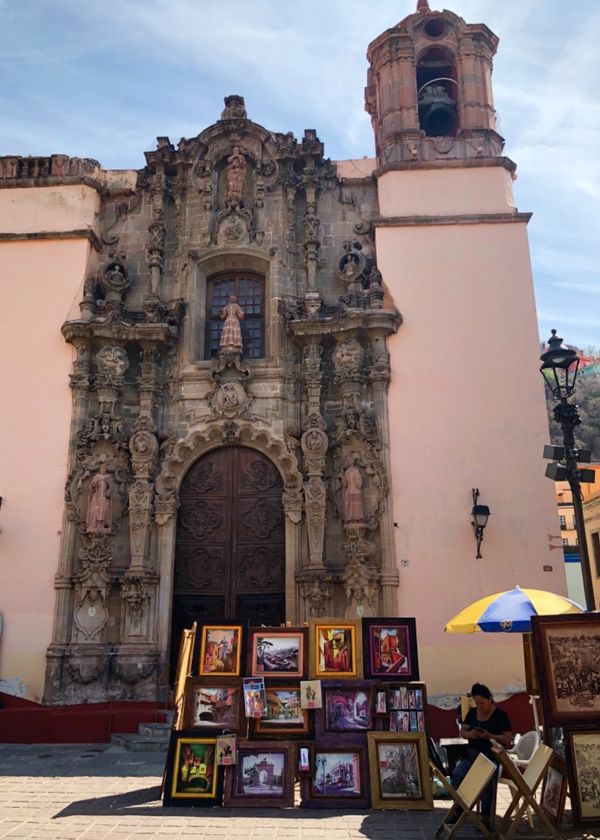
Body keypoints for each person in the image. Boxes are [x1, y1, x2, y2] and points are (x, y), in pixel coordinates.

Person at [450, 682, 513, 827]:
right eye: (477, 703)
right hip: (472, 756)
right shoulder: (472, 713)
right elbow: (463, 732)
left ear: (490, 699)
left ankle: (486, 816)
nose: (480, 706)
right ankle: (459, 808)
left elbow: (507, 738)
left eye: (482, 703)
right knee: (457, 774)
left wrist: (490, 736)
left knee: (488, 780)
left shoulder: (500, 715)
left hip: (492, 757)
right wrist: (471, 734)